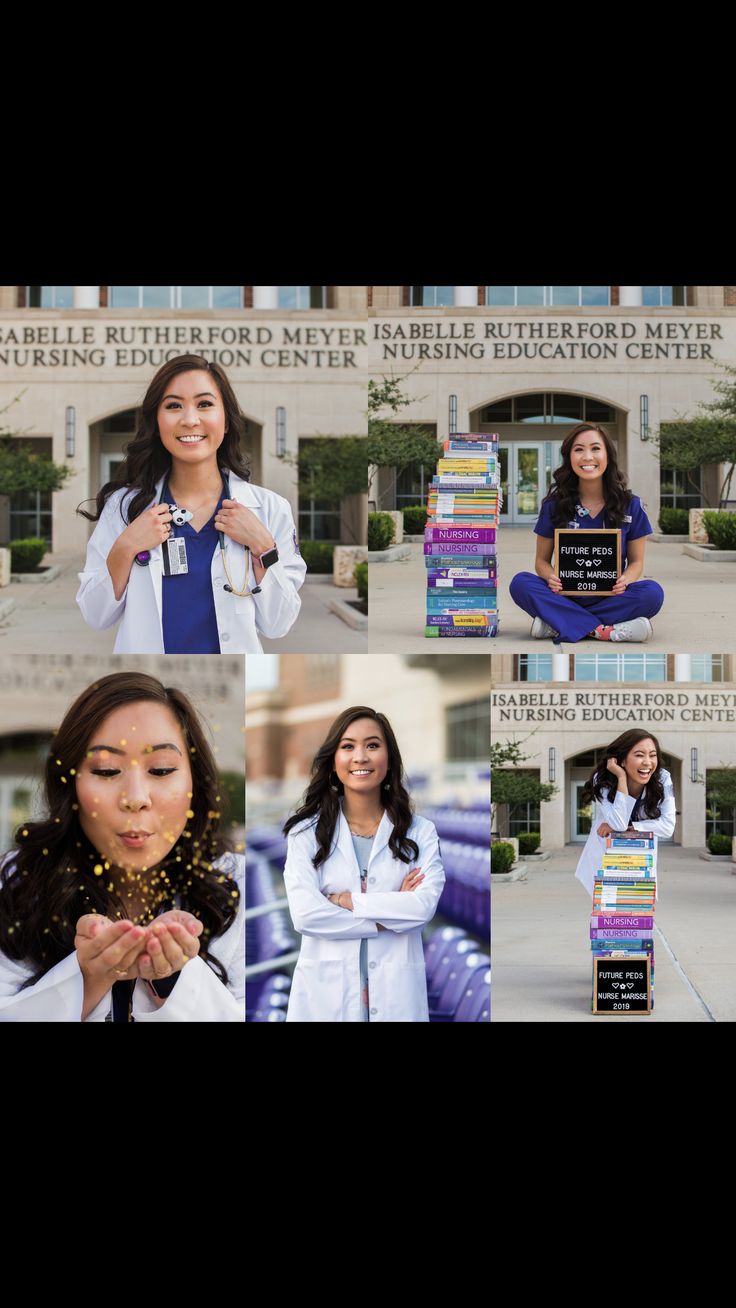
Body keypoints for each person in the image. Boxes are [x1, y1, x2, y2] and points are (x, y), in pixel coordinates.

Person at [0, 672, 244, 1021]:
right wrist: (87, 978)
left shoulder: (234, 883)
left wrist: (175, 980)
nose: (135, 798)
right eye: (106, 770)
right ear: (70, 785)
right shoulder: (14, 882)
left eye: (160, 770)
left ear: (195, 781)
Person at [76, 354, 306, 653]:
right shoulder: (125, 508)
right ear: (157, 423)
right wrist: (125, 547)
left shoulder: (270, 509)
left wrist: (264, 548)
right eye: (173, 406)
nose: (189, 419)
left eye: (205, 404)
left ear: (226, 421)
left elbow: (278, 624)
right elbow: (96, 616)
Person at [282, 706, 445, 1022]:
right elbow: (306, 916)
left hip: (398, 999)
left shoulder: (421, 832)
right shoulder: (305, 835)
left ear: (389, 758)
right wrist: (388, 915)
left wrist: (345, 902)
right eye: (348, 746)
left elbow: (422, 908)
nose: (360, 756)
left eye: (372, 745)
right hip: (325, 1000)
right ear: (334, 760)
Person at [509, 423, 664, 644]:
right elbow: (541, 562)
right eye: (579, 449)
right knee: (521, 583)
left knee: (652, 593)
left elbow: (637, 562)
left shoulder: (630, 505)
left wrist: (625, 581)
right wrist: (550, 577)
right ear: (569, 457)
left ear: (607, 456)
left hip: (611, 598)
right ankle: (604, 631)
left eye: (595, 448)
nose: (587, 456)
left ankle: (557, 623)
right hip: (564, 596)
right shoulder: (555, 505)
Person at [574, 729, 676, 897]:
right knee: (609, 916)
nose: (647, 762)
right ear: (621, 760)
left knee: (638, 915)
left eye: (652, 755)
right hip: (605, 859)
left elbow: (668, 827)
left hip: (640, 863)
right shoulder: (602, 779)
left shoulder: (663, 778)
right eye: (639, 755)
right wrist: (621, 778)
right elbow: (619, 823)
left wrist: (633, 827)